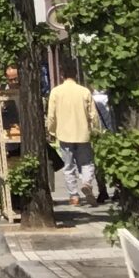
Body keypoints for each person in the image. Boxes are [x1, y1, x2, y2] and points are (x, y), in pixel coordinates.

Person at [47, 65, 100, 204]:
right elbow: (93, 114)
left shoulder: (56, 92)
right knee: (87, 162)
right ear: (76, 75)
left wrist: (51, 130)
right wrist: (94, 129)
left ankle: (74, 196)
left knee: (68, 166)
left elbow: (51, 115)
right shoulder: (84, 91)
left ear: (62, 75)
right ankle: (87, 183)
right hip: (83, 133)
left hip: (64, 134)